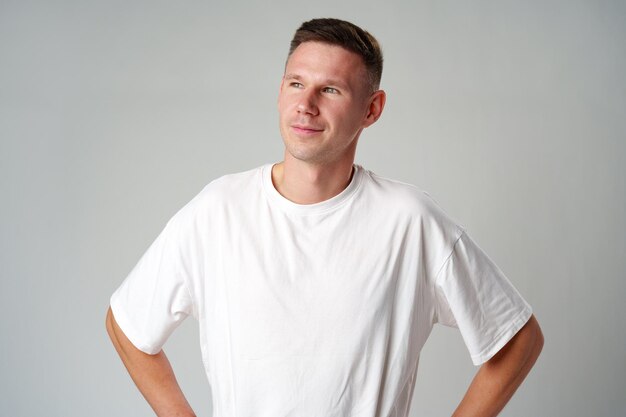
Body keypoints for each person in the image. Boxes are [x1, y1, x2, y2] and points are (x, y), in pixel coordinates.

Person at [106, 17, 543, 417]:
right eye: (296, 83)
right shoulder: (217, 211)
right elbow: (126, 324)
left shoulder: (410, 223)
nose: (306, 104)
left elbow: (519, 339)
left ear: (371, 109)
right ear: (280, 91)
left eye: (330, 89)